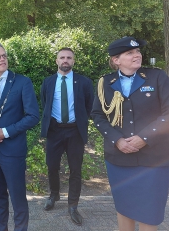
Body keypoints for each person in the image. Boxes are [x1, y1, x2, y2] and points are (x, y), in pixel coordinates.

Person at [91, 37, 169, 231]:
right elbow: (97, 115)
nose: (137, 55)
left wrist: (144, 138)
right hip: (119, 158)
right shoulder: (105, 82)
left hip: (153, 158)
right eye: (130, 53)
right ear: (116, 60)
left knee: (149, 212)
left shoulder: (157, 77)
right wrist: (117, 140)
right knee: (124, 208)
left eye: (138, 52)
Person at [0, 43, 40, 231]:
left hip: (13, 150)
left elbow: (33, 116)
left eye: (4, 55)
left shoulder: (22, 82)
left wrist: (5, 132)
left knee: (18, 197)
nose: (2, 59)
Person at [40, 47, 94, 226]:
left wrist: (78, 123)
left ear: (73, 61)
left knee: (75, 169)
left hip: (75, 131)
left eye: (69, 57)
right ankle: (54, 194)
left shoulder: (84, 82)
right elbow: (45, 104)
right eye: (62, 57)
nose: (65, 60)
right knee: (52, 166)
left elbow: (88, 106)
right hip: (54, 131)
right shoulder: (48, 82)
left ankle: (73, 205)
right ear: (56, 61)